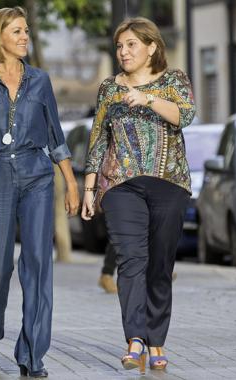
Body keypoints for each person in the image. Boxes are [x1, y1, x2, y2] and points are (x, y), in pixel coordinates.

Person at [0, 7, 79, 377]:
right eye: (18, 31)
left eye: (26, 31)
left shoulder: (40, 81)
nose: (25, 37)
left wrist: (69, 181)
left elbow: (55, 134)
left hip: (36, 174)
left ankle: (32, 355)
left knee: (38, 264)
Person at [81, 17, 195, 373]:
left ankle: (156, 340)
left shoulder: (174, 79)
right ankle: (135, 340)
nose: (123, 51)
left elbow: (185, 115)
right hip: (121, 185)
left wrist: (147, 99)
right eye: (119, 45)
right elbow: (99, 139)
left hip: (169, 183)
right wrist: (89, 188)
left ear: (152, 47)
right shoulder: (108, 89)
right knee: (131, 261)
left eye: (131, 44)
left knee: (160, 265)